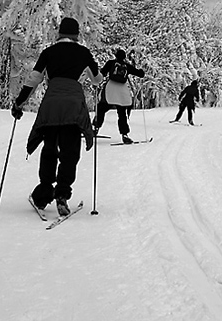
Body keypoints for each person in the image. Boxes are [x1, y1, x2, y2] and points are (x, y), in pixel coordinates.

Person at [11, 17, 103, 216]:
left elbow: (33, 79)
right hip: (73, 106)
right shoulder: (83, 53)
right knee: (70, 151)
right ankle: (62, 194)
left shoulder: (48, 53)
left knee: (50, 148)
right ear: (77, 35)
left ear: (60, 33)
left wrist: (19, 103)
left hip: (52, 105)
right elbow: (97, 80)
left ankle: (43, 194)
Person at [93, 48, 145, 143]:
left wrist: (96, 77)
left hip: (110, 89)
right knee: (122, 113)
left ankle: (95, 128)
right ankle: (125, 135)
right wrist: (141, 72)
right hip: (122, 91)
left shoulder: (111, 63)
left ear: (116, 56)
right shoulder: (127, 66)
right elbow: (140, 74)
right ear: (124, 57)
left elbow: (102, 73)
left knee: (101, 108)